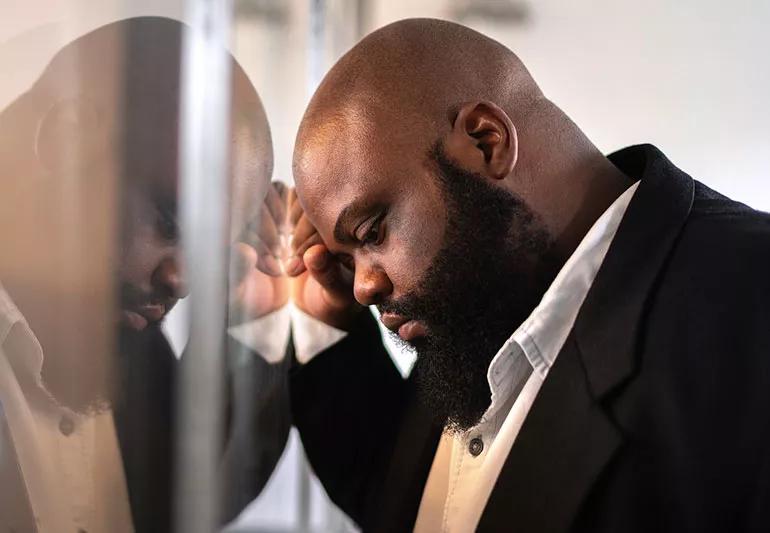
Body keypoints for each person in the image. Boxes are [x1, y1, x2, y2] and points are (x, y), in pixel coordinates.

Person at [287, 18, 770, 532]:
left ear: (485, 142)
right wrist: (330, 324)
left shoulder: (751, 303)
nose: (363, 288)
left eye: (372, 231)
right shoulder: (477, 303)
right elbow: (403, 497)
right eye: (346, 260)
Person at [0, 17, 286, 532]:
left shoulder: (121, 333)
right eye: (169, 222)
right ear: (67, 140)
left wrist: (252, 322)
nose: (183, 280)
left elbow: (188, 500)